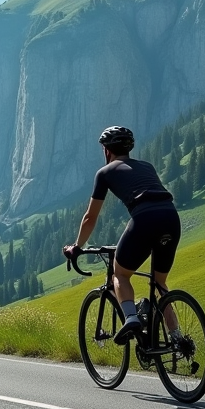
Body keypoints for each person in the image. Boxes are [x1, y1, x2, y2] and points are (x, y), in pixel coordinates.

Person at [63, 126, 181, 344]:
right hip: (171, 218)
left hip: (145, 220)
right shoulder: (147, 166)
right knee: (160, 285)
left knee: (121, 274)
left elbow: (90, 217)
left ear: (106, 150)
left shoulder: (105, 173)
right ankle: (178, 339)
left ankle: (131, 318)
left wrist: (77, 246)